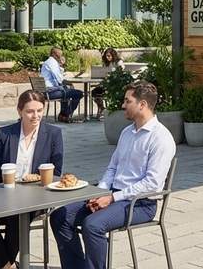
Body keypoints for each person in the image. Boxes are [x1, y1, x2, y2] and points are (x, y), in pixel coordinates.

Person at [50, 81, 175, 269]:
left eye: (127, 101)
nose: (123, 105)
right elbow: (112, 168)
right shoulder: (127, 132)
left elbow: (153, 184)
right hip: (113, 196)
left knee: (92, 225)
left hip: (140, 203)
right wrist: (100, 192)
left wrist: (112, 197)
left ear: (142, 105)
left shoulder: (161, 138)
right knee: (60, 216)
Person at [0, 90, 64, 269]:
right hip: (5, 194)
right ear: (19, 111)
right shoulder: (5, 134)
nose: (36, 115)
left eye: (40, 110)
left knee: (17, 216)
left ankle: (4, 266)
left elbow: (57, 172)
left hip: (36, 196)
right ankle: (8, 266)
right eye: (30, 111)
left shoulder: (53, 134)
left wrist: (40, 180)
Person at [41, 47, 84, 123]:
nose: (61, 55)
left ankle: (63, 115)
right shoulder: (52, 62)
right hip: (50, 92)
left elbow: (57, 76)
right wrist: (69, 82)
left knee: (66, 90)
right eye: (60, 53)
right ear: (54, 54)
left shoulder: (48, 62)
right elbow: (59, 79)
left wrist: (61, 66)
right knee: (79, 93)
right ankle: (66, 115)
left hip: (47, 91)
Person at [92, 48, 125, 119]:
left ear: (113, 55)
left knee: (105, 92)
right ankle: (101, 107)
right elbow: (103, 73)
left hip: (115, 84)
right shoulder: (105, 63)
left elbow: (121, 73)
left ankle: (106, 110)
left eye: (109, 56)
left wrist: (112, 75)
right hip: (106, 83)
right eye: (106, 56)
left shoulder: (118, 62)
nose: (107, 57)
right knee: (94, 92)